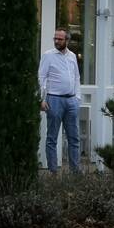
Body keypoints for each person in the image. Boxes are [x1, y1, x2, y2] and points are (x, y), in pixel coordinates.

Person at [39, 28, 81, 173]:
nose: (56, 41)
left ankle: (75, 172)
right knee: (52, 138)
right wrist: (41, 99)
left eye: (60, 39)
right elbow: (41, 78)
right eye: (55, 38)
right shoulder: (48, 56)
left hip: (71, 101)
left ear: (67, 40)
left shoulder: (73, 56)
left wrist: (77, 98)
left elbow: (76, 78)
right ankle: (53, 172)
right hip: (54, 100)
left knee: (74, 138)